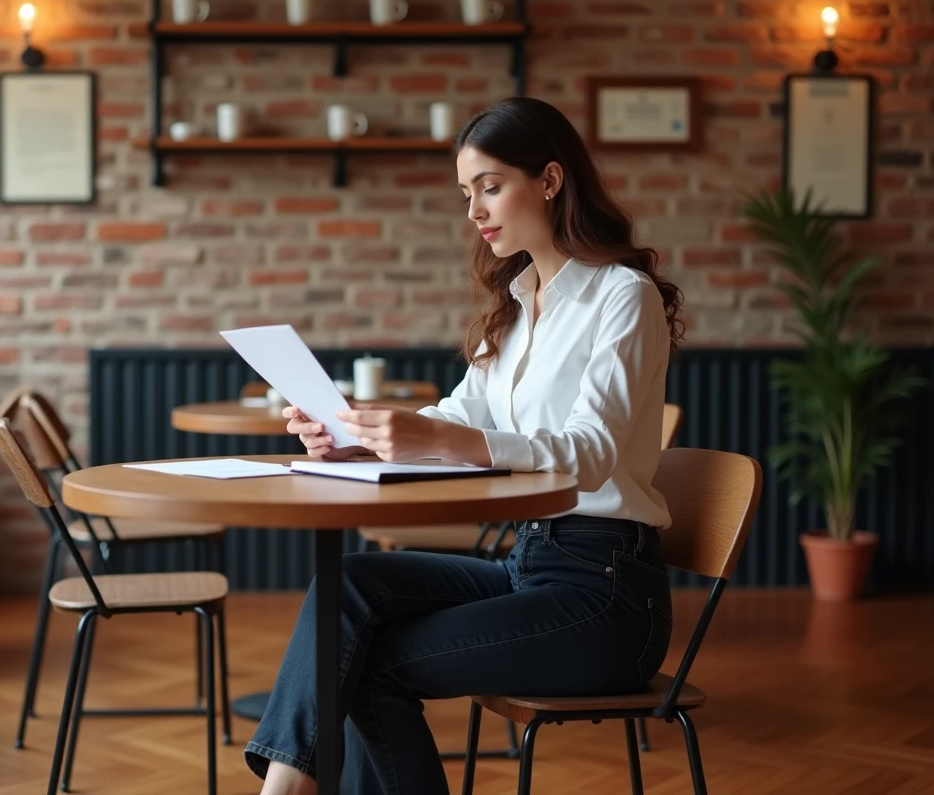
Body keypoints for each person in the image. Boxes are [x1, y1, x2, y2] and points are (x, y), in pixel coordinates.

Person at [245, 96, 686, 795]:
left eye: (489, 186)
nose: (475, 210)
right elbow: (458, 414)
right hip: (530, 563)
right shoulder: (515, 300)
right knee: (352, 586)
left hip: (605, 595)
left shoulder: (620, 297)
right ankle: (287, 786)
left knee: (365, 662)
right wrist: (358, 440)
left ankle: (282, 792)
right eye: (466, 193)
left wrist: (442, 435)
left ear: (548, 179)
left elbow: (591, 452)